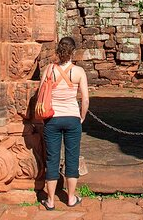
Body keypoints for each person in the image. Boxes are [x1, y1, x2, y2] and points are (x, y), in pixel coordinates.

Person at [39, 36, 89, 210]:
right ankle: (71, 198)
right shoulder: (78, 72)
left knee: (52, 159)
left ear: (59, 51)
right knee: (72, 158)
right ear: (73, 51)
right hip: (72, 118)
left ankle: (51, 200)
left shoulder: (49, 69)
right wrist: (81, 117)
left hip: (52, 118)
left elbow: (40, 94)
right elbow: (85, 99)